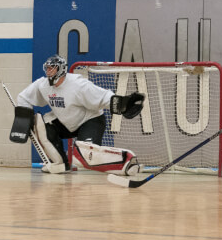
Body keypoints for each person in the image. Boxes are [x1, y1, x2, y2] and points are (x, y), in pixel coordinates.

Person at [14, 55, 143, 174]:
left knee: (82, 156)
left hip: (90, 120)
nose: (49, 71)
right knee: (41, 124)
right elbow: (23, 98)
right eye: (47, 68)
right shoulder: (42, 85)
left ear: (61, 70)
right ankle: (59, 164)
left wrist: (123, 105)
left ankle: (126, 162)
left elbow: (102, 96)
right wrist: (23, 119)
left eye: (52, 68)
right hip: (67, 122)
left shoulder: (78, 84)